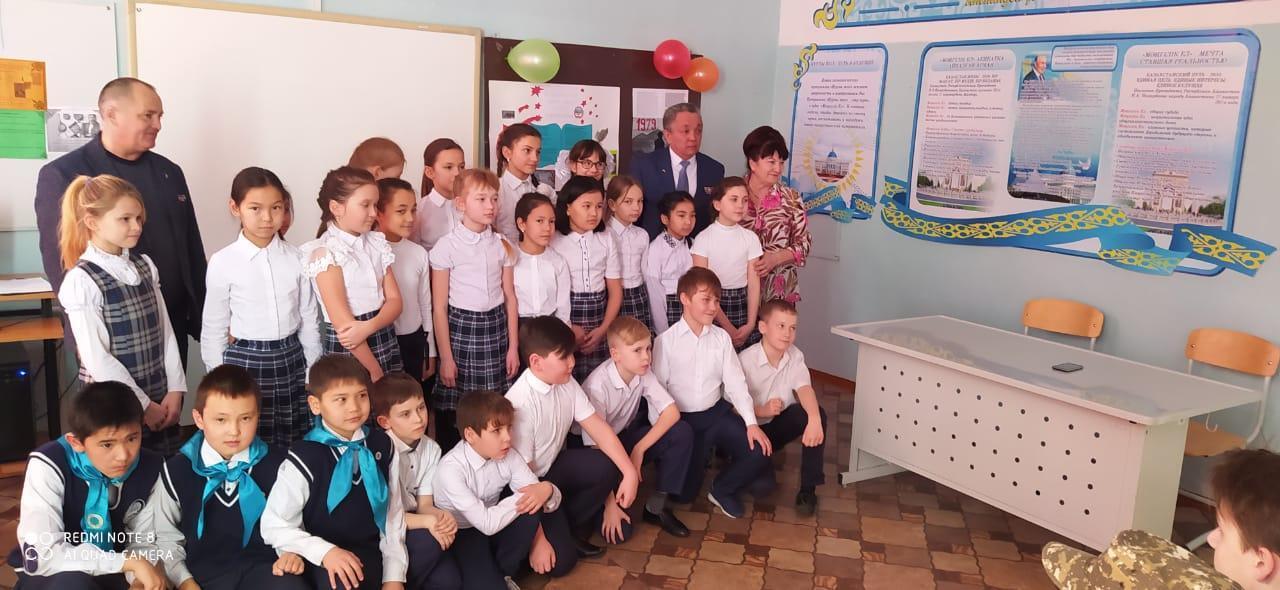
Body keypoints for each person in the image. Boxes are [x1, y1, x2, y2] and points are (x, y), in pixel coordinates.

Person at [35, 77, 206, 366]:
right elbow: (62, 259)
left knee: (171, 396)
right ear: (111, 114)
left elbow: (191, 246)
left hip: (171, 324)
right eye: (148, 115)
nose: (158, 124)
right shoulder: (65, 174)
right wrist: (83, 336)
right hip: (111, 332)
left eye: (160, 116)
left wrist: (205, 316)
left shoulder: (169, 172)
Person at [57, 174, 186, 455]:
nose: (136, 226)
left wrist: (175, 388)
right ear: (92, 222)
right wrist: (143, 406)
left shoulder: (145, 265)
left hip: (157, 391)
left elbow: (165, 332)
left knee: (158, 467)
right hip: (113, 400)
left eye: (139, 218)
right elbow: (97, 358)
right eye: (125, 219)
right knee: (120, 465)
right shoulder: (82, 280)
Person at [148, 365, 309, 590]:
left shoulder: (280, 465)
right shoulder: (176, 471)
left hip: (266, 569)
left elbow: (290, 522)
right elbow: (165, 537)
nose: (234, 431)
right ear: (199, 419)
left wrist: (289, 553)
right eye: (221, 420)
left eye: (245, 418)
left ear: (258, 416)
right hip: (200, 577)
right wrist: (184, 581)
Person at [260, 355, 409, 590]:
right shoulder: (305, 456)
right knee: (343, 581)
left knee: (429, 548)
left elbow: (393, 515)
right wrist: (325, 552)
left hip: (371, 548)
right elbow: (274, 524)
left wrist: (394, 577)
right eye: (341, 399)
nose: (354, 407)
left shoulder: (382, 444)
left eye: (361, 395)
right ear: (315, 405)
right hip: (324, 555)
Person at [202, 167, 321, 445]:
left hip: (291, 358)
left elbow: (308, 319)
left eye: (276, 208)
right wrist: (218, 379)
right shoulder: (223, 261)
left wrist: (311, 369)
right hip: (244, 361)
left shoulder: (296, 258)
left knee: (294, 436)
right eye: (255, 208)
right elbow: (214, 327)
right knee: (248, 436)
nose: (267, 218)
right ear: (235, 208)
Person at [9, 382, 167, 590]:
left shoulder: (152, 466)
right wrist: (126, 562)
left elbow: (144, 540)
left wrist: (138, 580)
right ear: (76, 442)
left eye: (132, 438)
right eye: (107, 444)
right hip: (55, 574)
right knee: (73, 584)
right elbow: (44, 554)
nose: (123, 456)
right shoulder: (48, 464)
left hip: (118, 572)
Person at [505, 316, 639, 559]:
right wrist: (539, 539)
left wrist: (629, 472)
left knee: (606, 464)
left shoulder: (565, 383)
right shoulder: (520, 403)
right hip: (528, 486)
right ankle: (547, 535)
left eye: (572, 354)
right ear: (536, 362)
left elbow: (598, 428)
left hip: (553, 468)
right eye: (564, 357)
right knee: (562, 563)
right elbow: (522, 481)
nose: (572, 362)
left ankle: (567, 526)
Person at [651, 267, 771, 519]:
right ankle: (695, 463)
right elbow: (656, 393)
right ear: (685, 299)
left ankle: (722, 489)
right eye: (706, 300)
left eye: (717, 300)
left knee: (758, 450)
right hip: (683, 423)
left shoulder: (721, 339)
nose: (713, 307)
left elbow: (736, 384)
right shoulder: (665, 342)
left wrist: (751, 423)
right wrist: (665, 433)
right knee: (683, 496)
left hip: (715, 415)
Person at [432, 391, 575, 587]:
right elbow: (487, 523)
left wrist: (547, 489)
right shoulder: (450, 469)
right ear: (470, 435)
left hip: (496, 518)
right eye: (497, 431)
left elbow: (543, 498)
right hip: (462, 532)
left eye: (509, 428)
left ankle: (506, 572)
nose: (507, 438)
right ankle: (494, 576)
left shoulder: (509, 454)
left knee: (532, 512)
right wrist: (535, 492)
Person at [429, 169, 520, 453]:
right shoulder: (447, 246)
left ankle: (494, 457)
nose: (490, 206)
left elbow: (510, 298)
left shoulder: (502, 245)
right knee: (461, 408)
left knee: (494, 405)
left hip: (496, 329)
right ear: (460, 203)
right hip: (462, 331)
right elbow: (439, 307)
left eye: (494, 198)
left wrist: (513, 347)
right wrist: (446, 357)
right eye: (481, 199)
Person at [580, 317, 693, 540]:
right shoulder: (597, 386)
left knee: (681, 432)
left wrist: (639, 450)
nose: (646, 357)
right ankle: (599, 505)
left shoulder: (643, 372)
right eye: (637, 350)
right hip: (593, 452)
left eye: (648, 348)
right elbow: (597, 448)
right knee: (621, 533)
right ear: (615, 354)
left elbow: (672, 412)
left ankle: (656, 508)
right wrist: (610, 505)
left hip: (622, 438)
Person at [301, 167, 404, 381]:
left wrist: (368, 326)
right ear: (336, 208)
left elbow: (395, 301)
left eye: (375, 205)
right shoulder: (326, 252)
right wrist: (374, 370)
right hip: (353, 349)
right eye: (365, 205)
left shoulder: (376, 243)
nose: (374, 213)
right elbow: (345, 326)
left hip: (381, 334)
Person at [371, 373, 463, 590]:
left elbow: (425, 505)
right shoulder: (379, 452)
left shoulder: (431, 448)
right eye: (405, 414)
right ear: (385, 422)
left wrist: (441, 519)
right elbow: (385, 516)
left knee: (450, 582)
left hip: (413, 522)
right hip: (384, 531)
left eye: (421, 408)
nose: (418, 418)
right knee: (430, 544)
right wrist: (428, 522)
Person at [739, 299, 827, 516]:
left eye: (792, 328)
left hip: (775, 427)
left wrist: (814, 419)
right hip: (749, 431)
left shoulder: (795, 355)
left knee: (815, 414)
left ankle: (808, 490)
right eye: (781, 326)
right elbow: (729, 406)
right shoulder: (745, 360)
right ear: (763, 327)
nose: (787, 333)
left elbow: (805, 388)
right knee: (761, 489)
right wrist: (760, 410)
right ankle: (738, 460)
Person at [549, 176, 622, 382]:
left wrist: (604, 329)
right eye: (586, 206)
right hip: (565, 317)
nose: (594, 213)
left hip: (600, 316)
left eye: (599, 206)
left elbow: (615, 291)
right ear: (568, 208)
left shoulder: (606, 238)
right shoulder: (554, 240)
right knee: (566, 375)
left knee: (598, 379)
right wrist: (568, 327)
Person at [376, 178, 437, 395]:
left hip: (414, 341)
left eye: (413, 210)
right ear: (378, 212)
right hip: (382, 342)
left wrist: (430, 349)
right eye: (401, 211)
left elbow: (425, 304)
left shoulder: (418, 253)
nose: (410, 218)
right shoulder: (372, 252)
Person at [630, 103, 725, 239]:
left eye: (698, 131)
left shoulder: (714, 169)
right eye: (686, 131)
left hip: (699, 247)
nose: (693, 137)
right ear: (668, 135)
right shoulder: (645, 165)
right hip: (653, 246)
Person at [741, 126, 811, 304]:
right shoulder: (733, 194)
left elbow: (804, 245)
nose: (778, 169)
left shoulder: (791, 198)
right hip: (738, 292)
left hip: (779, 294)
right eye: (771, 162)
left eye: (781, 162)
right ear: (753, 163)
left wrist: (776, 258)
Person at [692, 177, 763, 351]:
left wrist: (750, 323)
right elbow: (703, 287)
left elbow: (754, 285)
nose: (740, 205)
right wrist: (728, 327)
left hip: (742, 304)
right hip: (712, 304)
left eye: (744, 200)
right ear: (717, 204)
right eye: (734, 199)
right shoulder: (703, 239)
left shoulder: (751, 238)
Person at [513, 193, 571, 325]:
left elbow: (563, 307)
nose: (547, 228)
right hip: (517, 326)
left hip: (549, 328)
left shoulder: (558, 261)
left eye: (551, 221)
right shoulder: (509, 258)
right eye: (540, 221)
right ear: (522, 224)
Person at [605, 176, 653, 333]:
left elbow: (644, 271)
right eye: (628, 202)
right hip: (612, 295)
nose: (636, 207)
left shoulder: (642, 235)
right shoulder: (605, 234)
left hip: (638, 294)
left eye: (640, 201)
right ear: (612, 204)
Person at [643, 191, 695, 334]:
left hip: (691, 305)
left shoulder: (693, 244)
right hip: (669, 307)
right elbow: (654, 293)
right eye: (681, 215)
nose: (688, 222)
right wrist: (663, 331)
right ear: (665, 219)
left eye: (692, 215)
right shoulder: (656, 248)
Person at [494, 124, 555, 243]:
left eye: (538, 152)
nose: (535, 158)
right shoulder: (495, 191)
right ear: (507, 152)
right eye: (527, 150)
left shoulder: (545, 191)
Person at [415, 139, 465, 250]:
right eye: (449, 167)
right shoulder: (419, 211)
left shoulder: (472, 205)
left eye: (461, 167)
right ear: (430, 172)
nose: (457, 173)